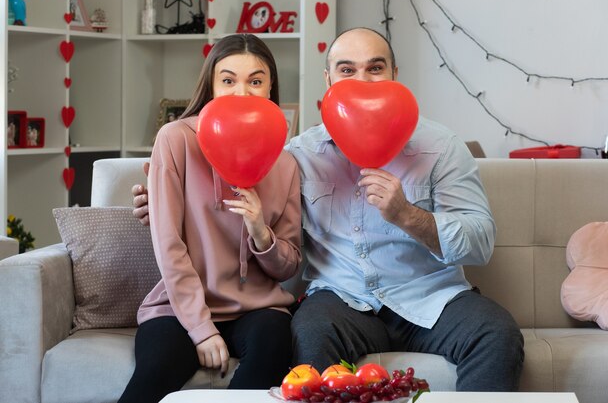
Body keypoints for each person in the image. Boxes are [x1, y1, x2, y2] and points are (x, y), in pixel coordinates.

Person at [132, 27, 524, 391]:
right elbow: (241, 198)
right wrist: (163, 199)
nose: (363, 81)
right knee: (307, 335)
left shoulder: (441, 146)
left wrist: (408, 215)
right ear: (329, 80)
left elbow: (481, 242)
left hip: (430, 297)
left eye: (375, 68)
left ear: (394, 75)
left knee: (498, 334)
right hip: (341, 298)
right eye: (347, 70)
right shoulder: (297, 154)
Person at [118, 34, 302, 403]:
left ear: (270, 88)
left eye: (256, 81)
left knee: (274, 349)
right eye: (229, 80)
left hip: (257, 308)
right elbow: (169, 244)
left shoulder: (284, 163)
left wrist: (260, 233)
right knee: (156, 370)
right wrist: (201, 329)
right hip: (176, 306)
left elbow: (289, 265)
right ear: (212, 86)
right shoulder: (175, 140)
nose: (242, 93)